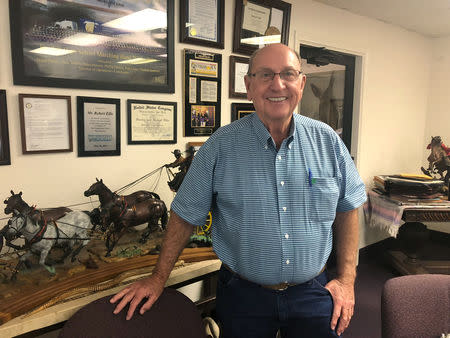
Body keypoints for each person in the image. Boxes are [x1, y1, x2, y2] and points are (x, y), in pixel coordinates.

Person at [110, 43, 366, 337]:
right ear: (249, 86)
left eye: (288, 74)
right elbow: (184, 215)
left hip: (312, 294)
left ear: (302, 83)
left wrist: (347, 280)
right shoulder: (220, 146)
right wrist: (157, 278)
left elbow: (348, 208)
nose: (278, 84)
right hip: (244, 297)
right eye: (266, 75)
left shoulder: (328, 142)